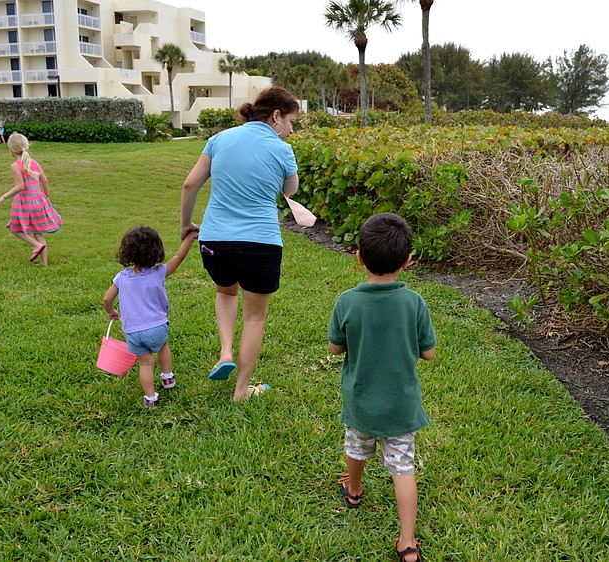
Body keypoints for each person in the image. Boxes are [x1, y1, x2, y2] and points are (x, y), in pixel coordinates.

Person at [328, 213, 436, 562]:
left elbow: (335, 347)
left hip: (361, 401)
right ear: (408, 260)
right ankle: (407, 542)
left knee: (357, 448)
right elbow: (428, 353)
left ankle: (354, 489)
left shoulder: (347, 301)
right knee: (402, 469)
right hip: (401, 406)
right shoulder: (415, 303)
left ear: (358, 257)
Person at [180, 85, 299, 402]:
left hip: (214, 239)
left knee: (225, 290)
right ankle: (242, 390)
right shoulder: (282, 149)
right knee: (255, 317)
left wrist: (185, 225)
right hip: (260, 243)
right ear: (276, 116)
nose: (290, 130)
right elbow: (291, 189)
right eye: (290, 122)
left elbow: (190, 183)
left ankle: (225, 351)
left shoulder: (219, 140)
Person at [103, 226, 197, 408]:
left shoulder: (121, 277)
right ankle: (168, 377)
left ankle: (150, 398)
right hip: (157, 327)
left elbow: (107, 298)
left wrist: (111, 312)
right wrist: (190, 237)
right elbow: (179, 257)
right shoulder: (159, 273)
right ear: (157, 251)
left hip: (132, 332)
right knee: (163, 347)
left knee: (145, 364)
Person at [0, 132, 62, 266]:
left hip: (24, 203)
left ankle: (36, 245)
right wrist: (46, 198)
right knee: (38, 231)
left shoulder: (15, 166)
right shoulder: (34, 162)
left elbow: (20, 186)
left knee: (15, 228)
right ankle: (44, 262)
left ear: (11, 149)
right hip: (38, 200)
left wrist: (4, 196)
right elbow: (45, 181)